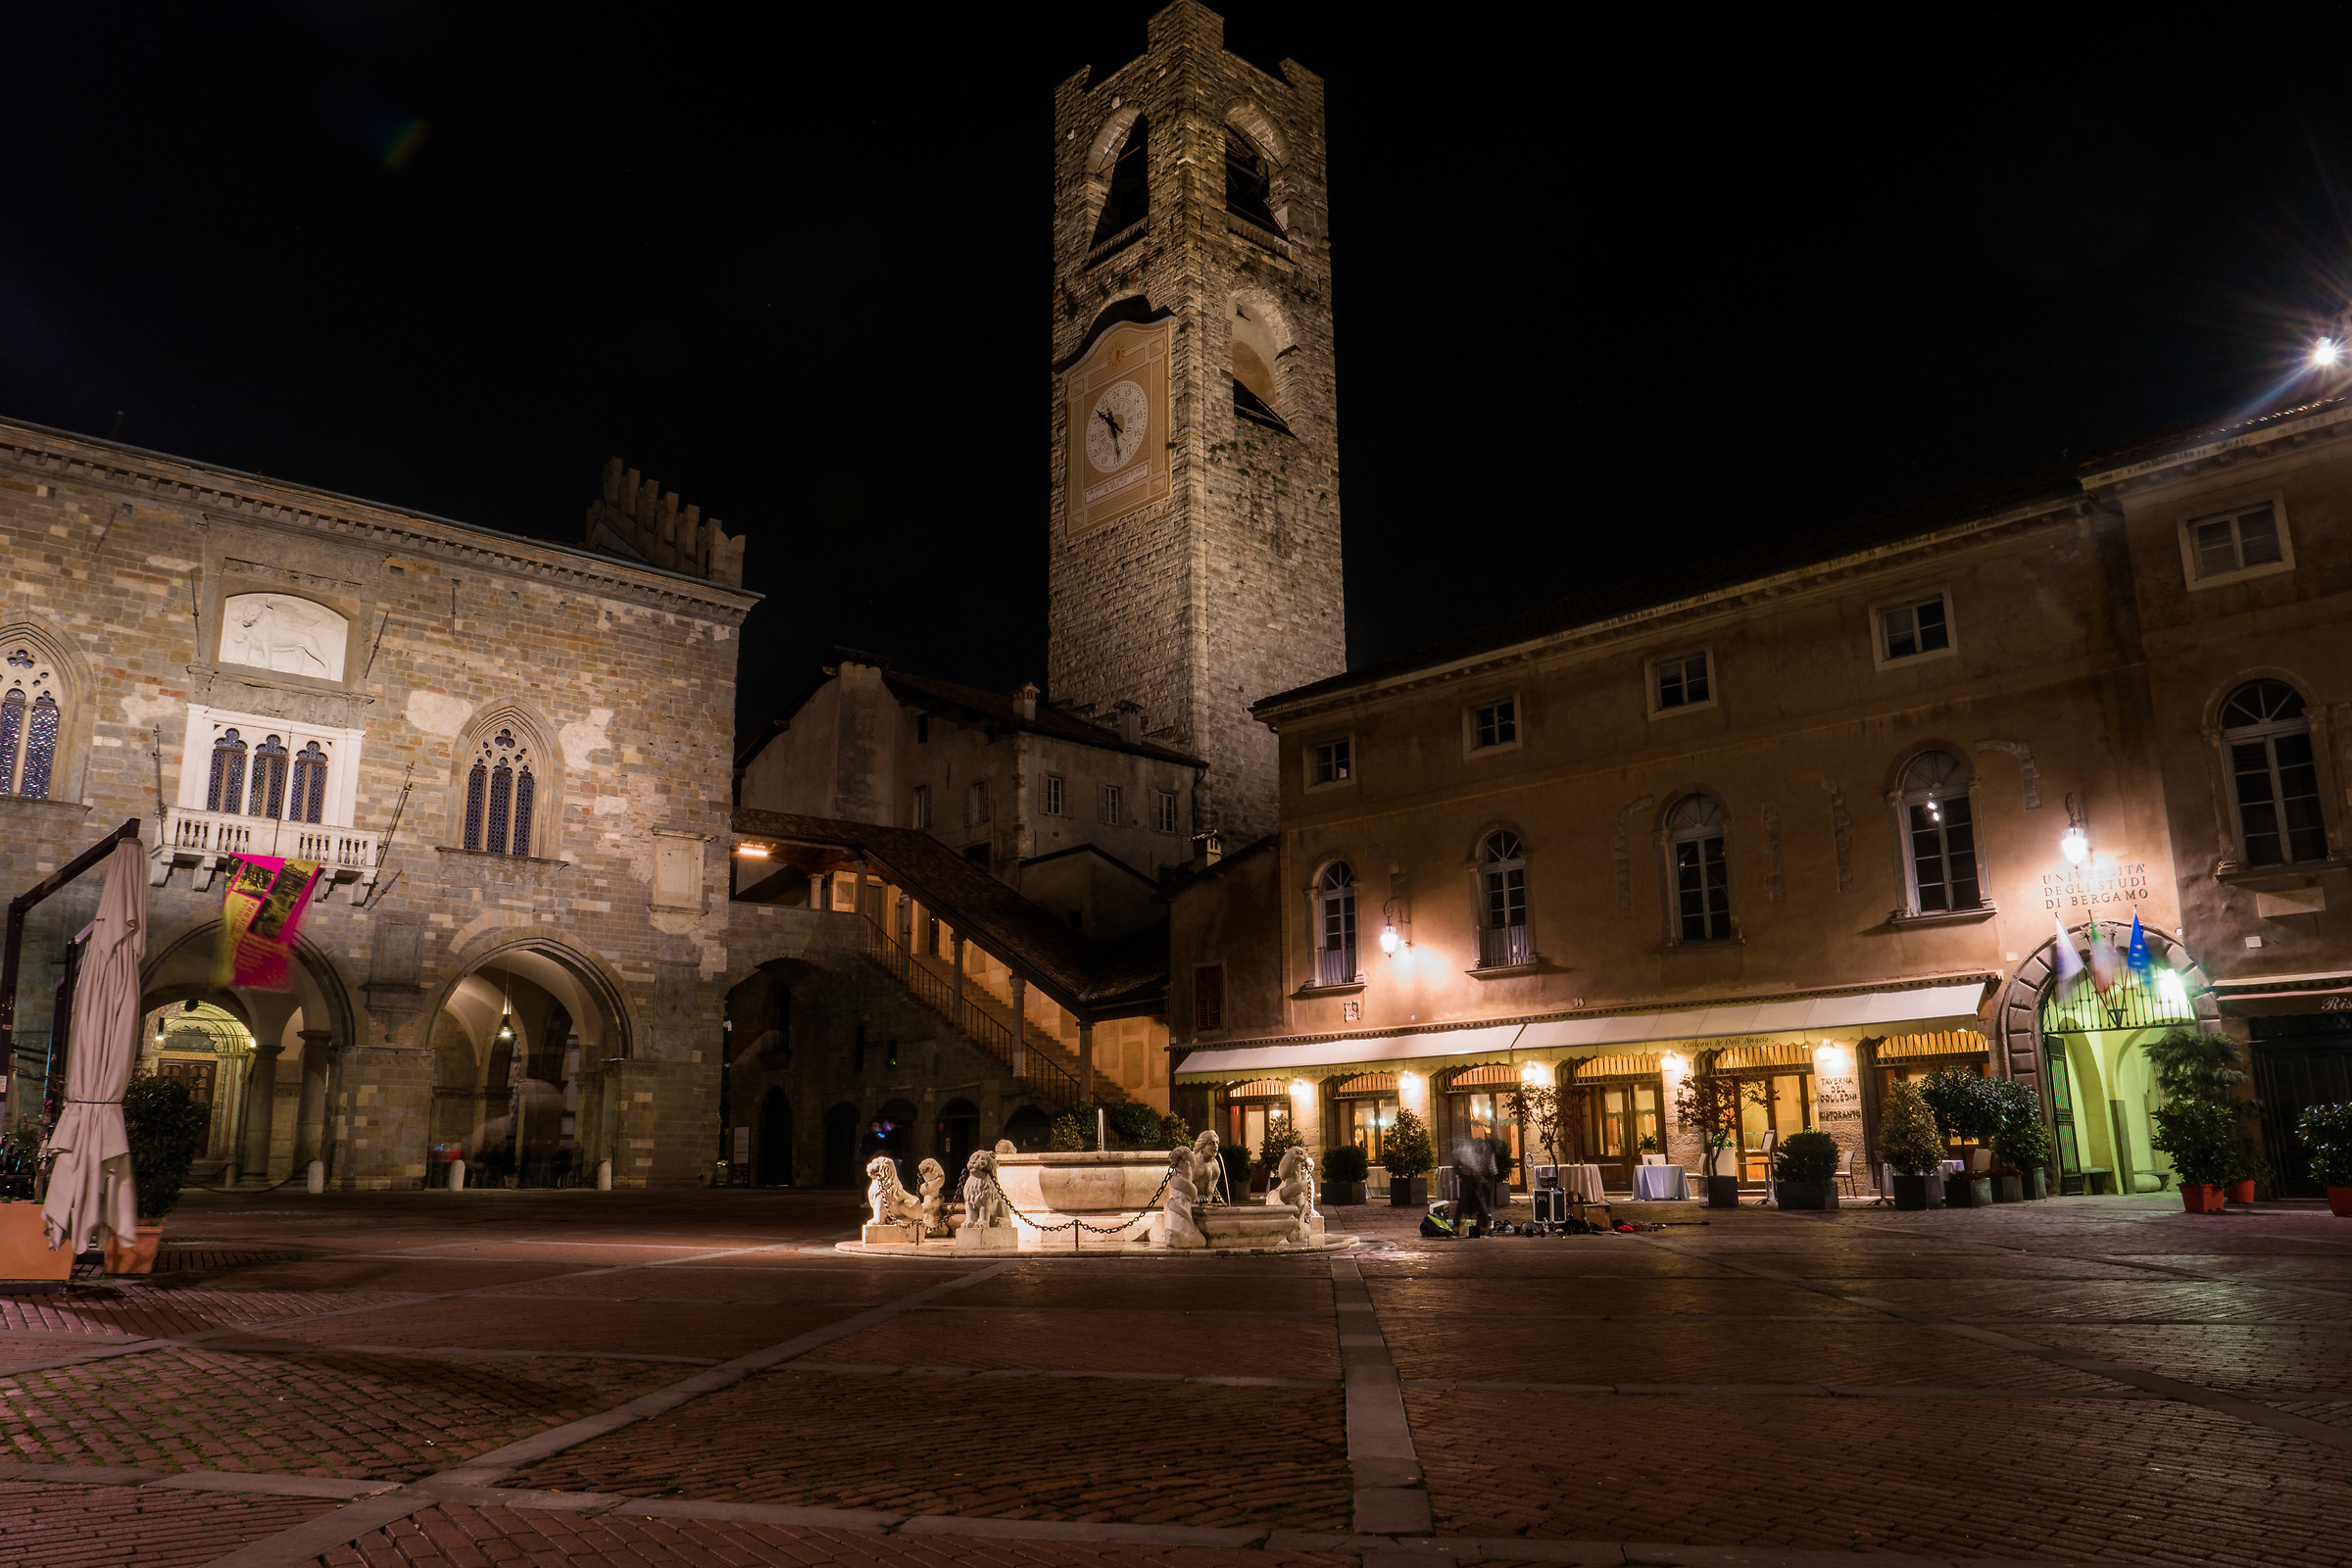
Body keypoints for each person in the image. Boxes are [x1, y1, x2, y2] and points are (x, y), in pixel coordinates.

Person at [1450, 1137, 1497, 1239]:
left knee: (1476, 1205)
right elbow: (1490, 1169)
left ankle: (1459, 1228)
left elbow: (1489, 1168)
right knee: (1480, 1204)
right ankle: (1482, 1229)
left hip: (1473, 1179)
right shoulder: (1476, 1151)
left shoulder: (1474, 1150)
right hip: (1473, 1179)